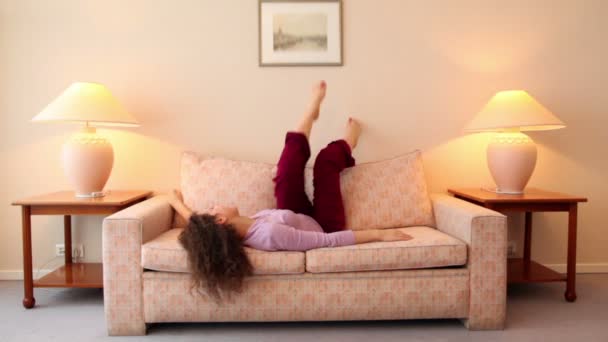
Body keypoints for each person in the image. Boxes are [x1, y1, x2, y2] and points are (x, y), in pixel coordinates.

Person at [168, 81, 413, 300]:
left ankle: (311, 111)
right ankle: (350, 142)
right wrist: (381, 234)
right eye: (213, 209)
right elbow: (328, 241)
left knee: (285, 172)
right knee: (325, 161)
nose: (214, 205)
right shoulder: (270, 234)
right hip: (323, 225)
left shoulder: (233, 227)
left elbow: (199, 224)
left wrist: (176, 203)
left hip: (293, 215)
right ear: (221, 219)